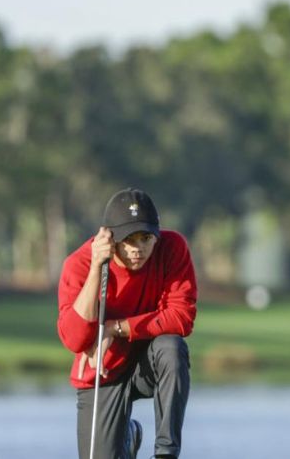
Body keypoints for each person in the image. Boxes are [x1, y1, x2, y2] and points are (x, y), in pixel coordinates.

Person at [57, 188, 198, 459]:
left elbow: (182, 317)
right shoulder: (80, 263)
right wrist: (97, 266)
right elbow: (74, 340)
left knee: (171, 347)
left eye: (146, 238)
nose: (138, 248)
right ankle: (127, 436)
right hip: (104, 369)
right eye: (129, 239)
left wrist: (115, 327)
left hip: (149, 363)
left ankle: (165, 452)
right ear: (109, 238)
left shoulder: (172, 248)